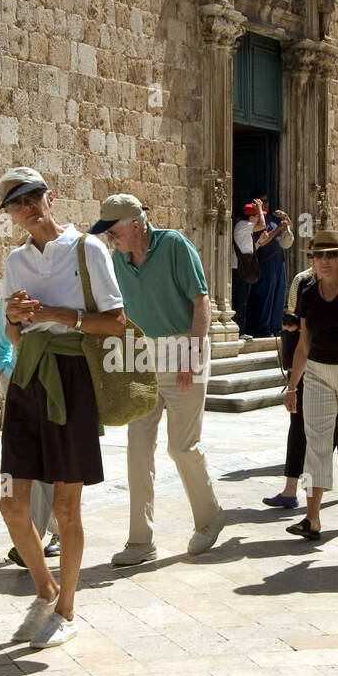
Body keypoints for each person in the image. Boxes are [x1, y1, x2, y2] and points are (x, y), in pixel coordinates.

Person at [0, 167, 127, 647]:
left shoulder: (87, 248)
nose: (28, 208)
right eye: (17, 204)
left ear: (51, 197)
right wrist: (14, 318)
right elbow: (12, 334)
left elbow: (115, 321)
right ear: (10, 215)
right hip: (27, 378)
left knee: (66, 505)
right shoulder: (15, 260)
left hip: (72, 379)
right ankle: (47, 590)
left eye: (33, 198)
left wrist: (55, 314)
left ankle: (67, 610)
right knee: (12, 504)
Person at [89, 194, 225, 565]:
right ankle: (140, 541)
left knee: (182, 447)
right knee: (137, 448)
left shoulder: (175, 245)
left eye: (113, 232)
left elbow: (202, 303)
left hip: (184, 348)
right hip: (142, 356)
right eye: (106, 234)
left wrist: (193, 355)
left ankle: (210, 518)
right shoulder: (118, 259)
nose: (110, 240)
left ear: (136, 224)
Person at [283, 231, 338, 539]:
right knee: (315, 441)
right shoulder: (307, 292)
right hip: (318, 372)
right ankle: (312, 517)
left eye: (331, 255)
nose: (324, 261)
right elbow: (304, 342)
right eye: (318, 256)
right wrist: (292, 386)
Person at [265, 263, 338, 509]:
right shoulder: (303, 283)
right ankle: (291, 491)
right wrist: (292, 379)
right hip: (309, 363)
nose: (324, 260)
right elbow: (294, 323)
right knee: (299, 427)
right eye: (319, 254)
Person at [0, 296, 59, 567]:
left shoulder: (62, 293)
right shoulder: (10, 299)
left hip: (57, 384)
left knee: (50, 465)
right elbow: (1, 345)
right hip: (20, 386)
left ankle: (41, 536)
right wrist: (9, 374)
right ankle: (40, 535)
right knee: (28, 466)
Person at [247, 191, 294, 337]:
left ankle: (276, 327)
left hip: (279, 262)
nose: (266, 203)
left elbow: (289, 227)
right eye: (262, 201)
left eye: (266, 201)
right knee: (265, 295)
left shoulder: (273, 217)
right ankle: (263, 328)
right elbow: (264, 240)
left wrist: (286, 218)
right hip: (265, 262)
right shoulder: (257, 220)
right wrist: (278, 228)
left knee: (279, 295)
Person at [231, 202, 266, 339]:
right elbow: (263, 225)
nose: (259, 218)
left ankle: (241, 330)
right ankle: (239, 331)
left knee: (243, 300)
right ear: (252, 217)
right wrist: (260, 209)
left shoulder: (246, 229)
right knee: (240, 301)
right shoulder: (242, 226)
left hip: (244, 268)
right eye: (258, 216)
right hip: (239, 268)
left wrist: (260, 242)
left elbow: (250, 250)